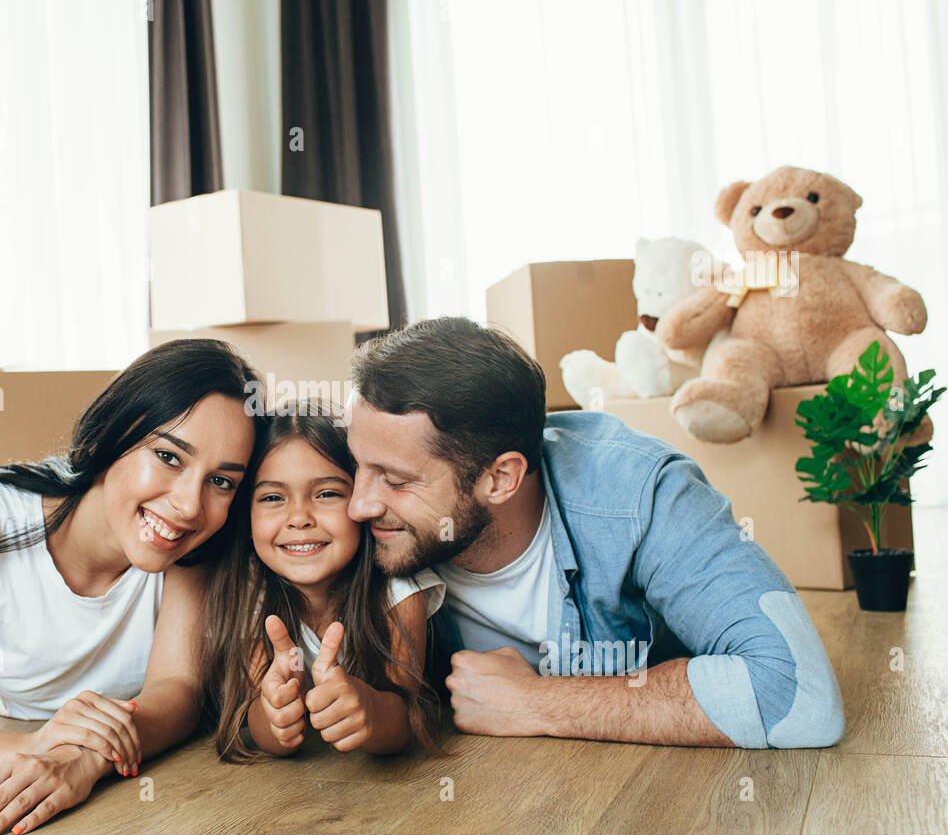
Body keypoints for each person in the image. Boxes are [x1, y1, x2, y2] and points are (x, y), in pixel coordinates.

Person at [342, 316, 845, 749]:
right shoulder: (351, 513)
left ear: (500, 478)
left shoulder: (639, 493)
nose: (359, 505)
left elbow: (798, 694)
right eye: (357, 465)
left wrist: (538, 702)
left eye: (397, 480)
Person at [0, 339, 263, 835]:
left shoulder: (194, 545)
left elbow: (177, 690)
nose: (189, 504)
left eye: (222, 482)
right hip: (9, 720)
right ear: (114, 435)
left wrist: (87, 759)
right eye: (168, 456)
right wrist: (40, 749)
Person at [198, 402, 446, 761]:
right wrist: (277, 716)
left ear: (361, 501)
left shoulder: (398, 587)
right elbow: (258, 719)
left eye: (327, 493)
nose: (299, 518)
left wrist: (370, 710)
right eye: (272, 498)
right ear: (246, 517)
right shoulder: (249, 591)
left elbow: (406, 717)